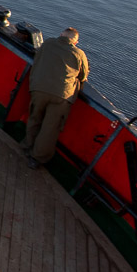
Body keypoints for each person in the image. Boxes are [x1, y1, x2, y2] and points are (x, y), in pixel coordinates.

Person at [23, 27, 90, 169]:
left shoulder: (47, 43)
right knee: (49, 128)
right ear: (76, 41)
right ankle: (36, 158)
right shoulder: (79, 54)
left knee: (34, 118)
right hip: (61, 95)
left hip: (39, 89)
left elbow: (37, 59)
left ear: (61, 35)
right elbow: (83, 76)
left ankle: (27, 146)